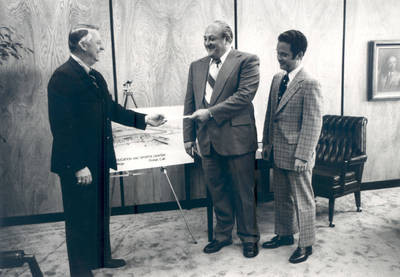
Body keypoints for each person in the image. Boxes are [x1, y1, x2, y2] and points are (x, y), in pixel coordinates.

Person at [47, 24, 165, 276]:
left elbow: (111, 110)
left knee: (100, 211)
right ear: (83, 45)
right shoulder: (62, 77)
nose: (101, 47)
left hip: (99, 158)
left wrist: (144, 120)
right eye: (98, 42)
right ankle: (80, 270)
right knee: (79, 217)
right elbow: (61, 126)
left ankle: (101, 257)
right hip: (77, 162)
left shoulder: (95, 77)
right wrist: (78, 165)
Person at [183, 20, 260, 258]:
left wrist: (211, 113)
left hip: (237, 139)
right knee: (217, 190)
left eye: (212, 39)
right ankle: (223, 235)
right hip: (207, 141)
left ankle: (249, 238)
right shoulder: (196, 66)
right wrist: (187, 137)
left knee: (242, 191)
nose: (207, 43)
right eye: (205, 38)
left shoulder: (247, 60)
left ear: (228, 39)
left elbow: (244, 96)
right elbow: (190, 101)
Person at [261, 30, 323, 264]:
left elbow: (313, 123)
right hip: (278, 150)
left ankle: (306, 244)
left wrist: (303, 156)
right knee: (282, 197)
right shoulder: (278, 79)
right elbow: (270, 114)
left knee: (303, 200)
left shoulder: (310, 83)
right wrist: (267, 142)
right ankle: (285, 234)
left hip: (298, 155)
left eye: (284, 54)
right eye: (277, 53)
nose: (279, 58)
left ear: (299, 54)